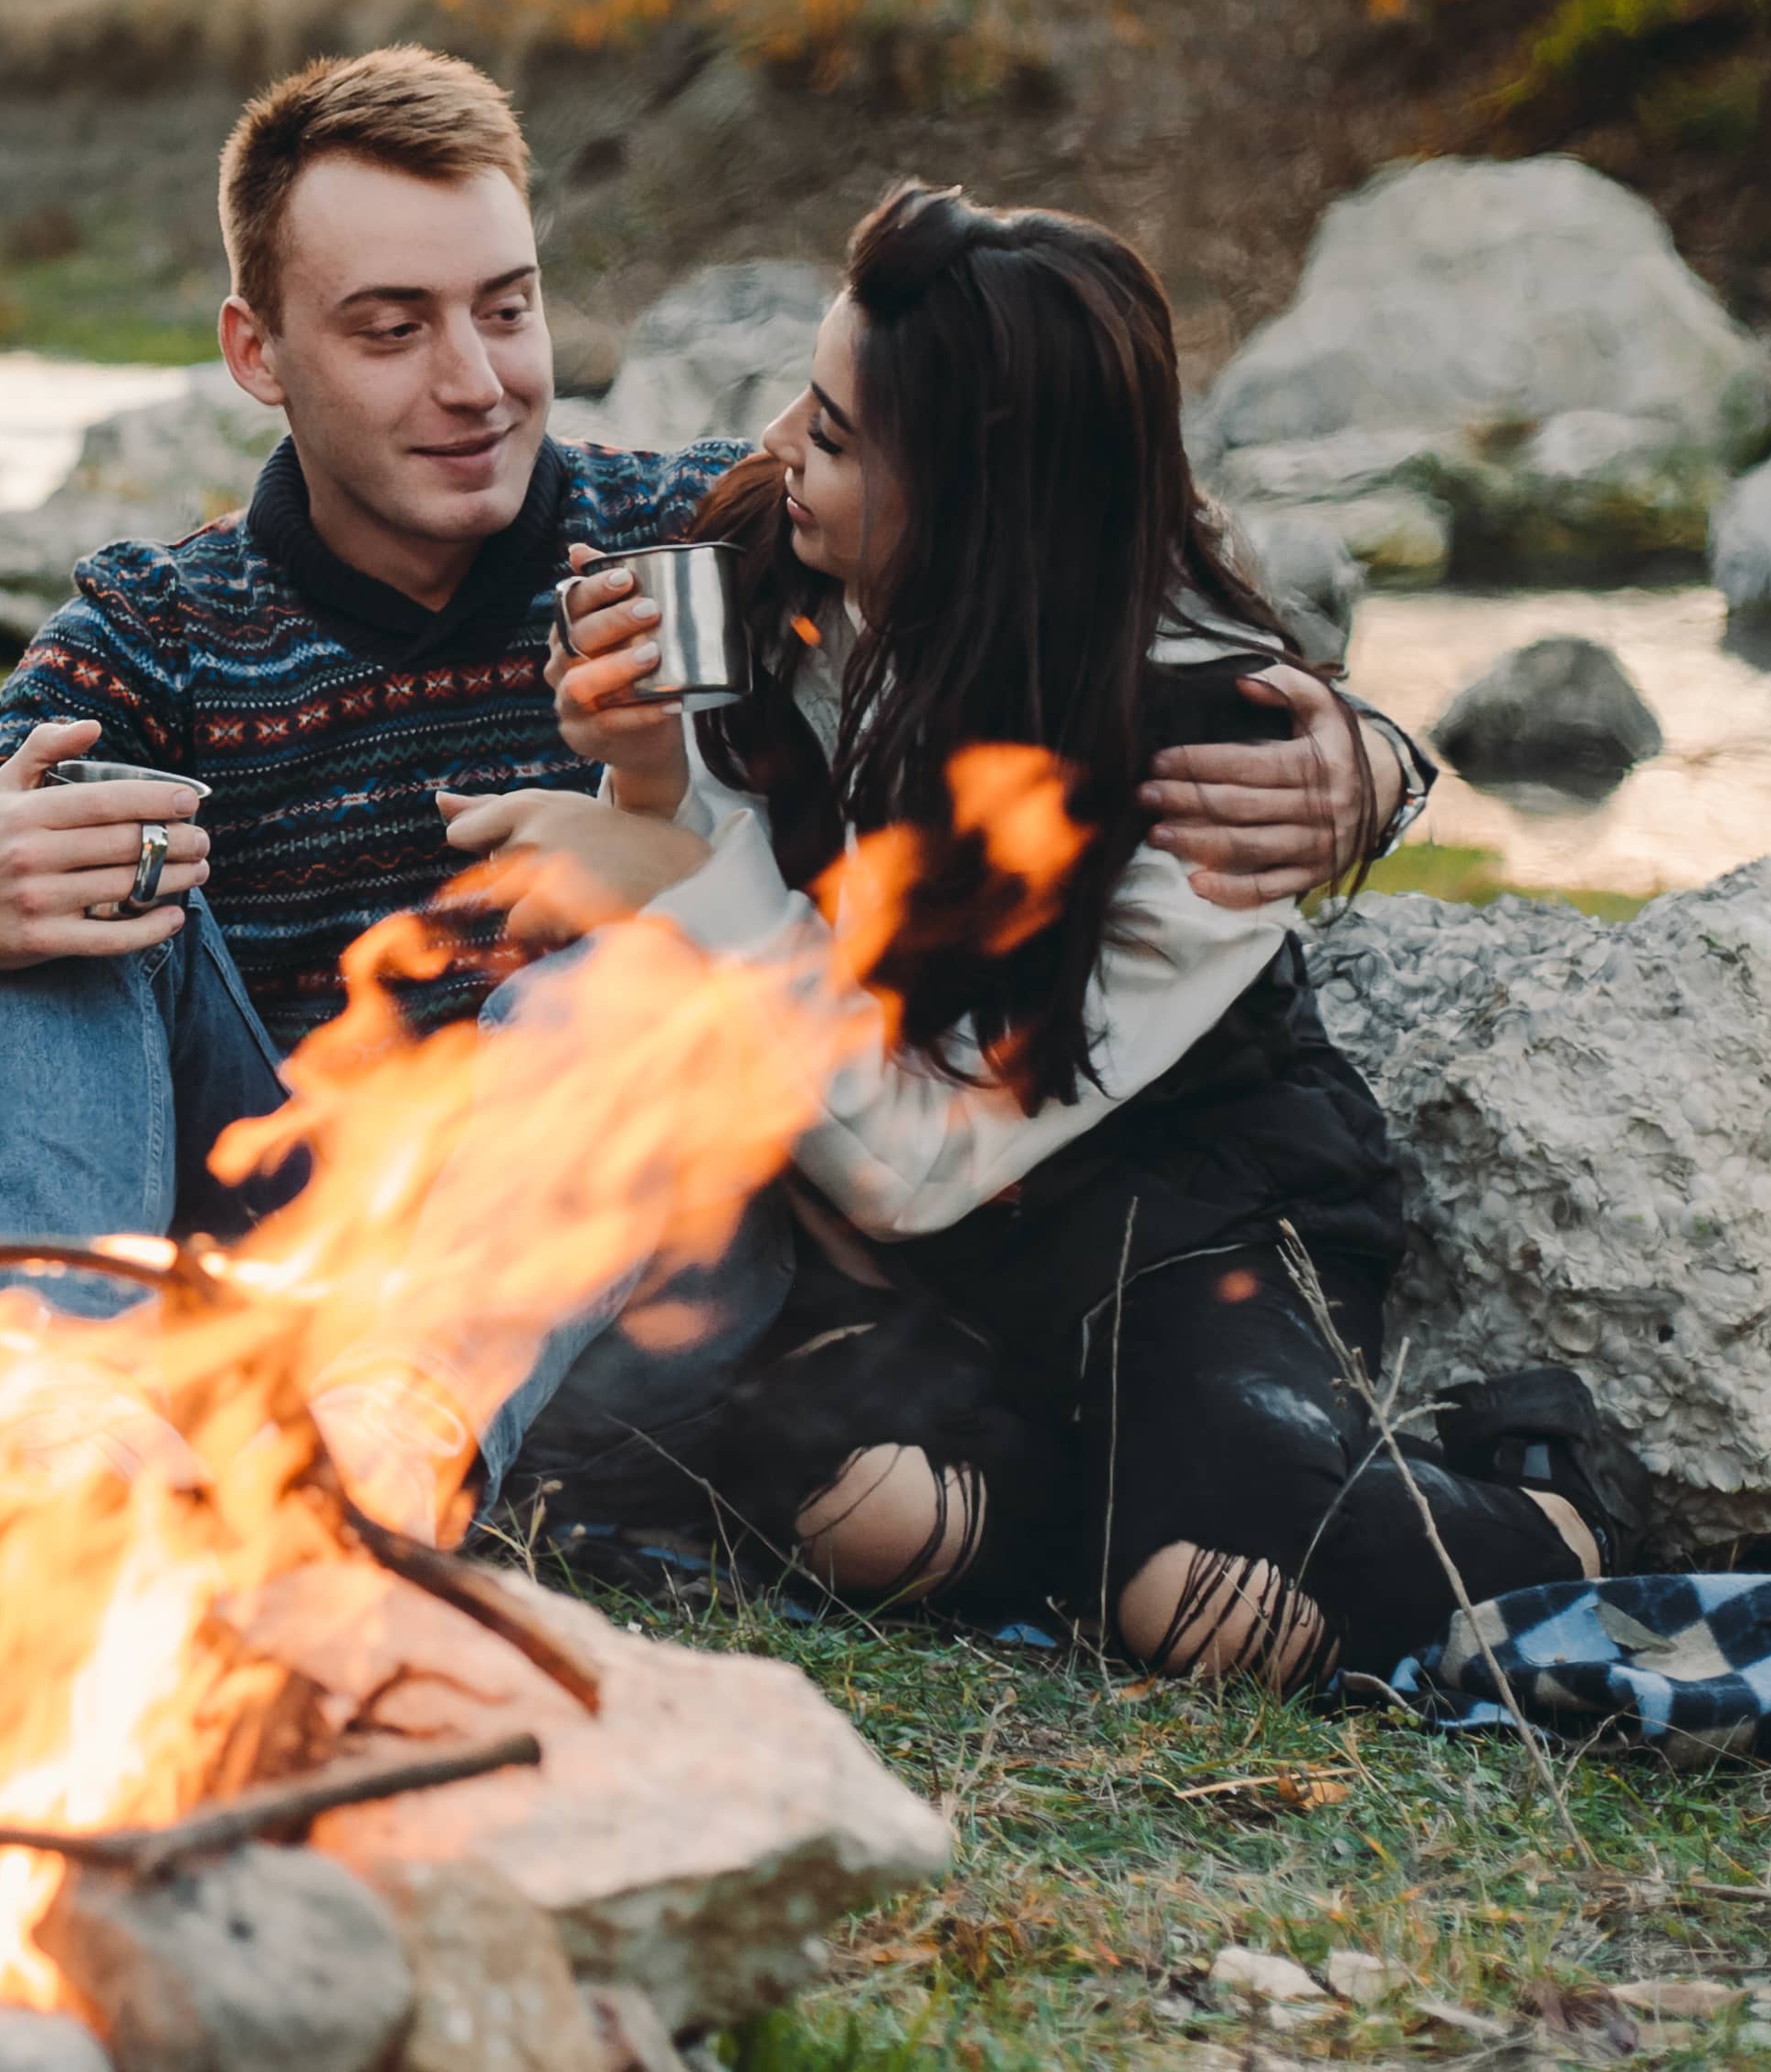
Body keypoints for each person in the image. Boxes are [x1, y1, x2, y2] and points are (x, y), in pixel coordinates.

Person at [0, 47, 1418, 1286]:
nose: (477, 385)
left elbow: (1054, 551)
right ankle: (73, 1422)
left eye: (505, 312)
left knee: (608, 972)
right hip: (273, 1207)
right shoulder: (151, 632)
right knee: (75, 844)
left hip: (617, 1252)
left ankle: (416, 1424)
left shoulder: (704, 535)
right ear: (258, 355)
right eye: (392, 330)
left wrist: (1363, 756)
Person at [458, 183, 1634, 1681]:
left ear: (975, 495)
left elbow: (915, 1161)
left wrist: (667, 870)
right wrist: (641, 762)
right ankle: (1100, 1493)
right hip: (909, 1260)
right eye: (794, 405)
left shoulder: (1206, 755)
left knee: (1214, 1611)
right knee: (866, 1509)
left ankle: (1546, 1494)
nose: (770, 456)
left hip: (1170, 1220)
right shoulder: (778, 562)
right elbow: (729, 868)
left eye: (828, 433)